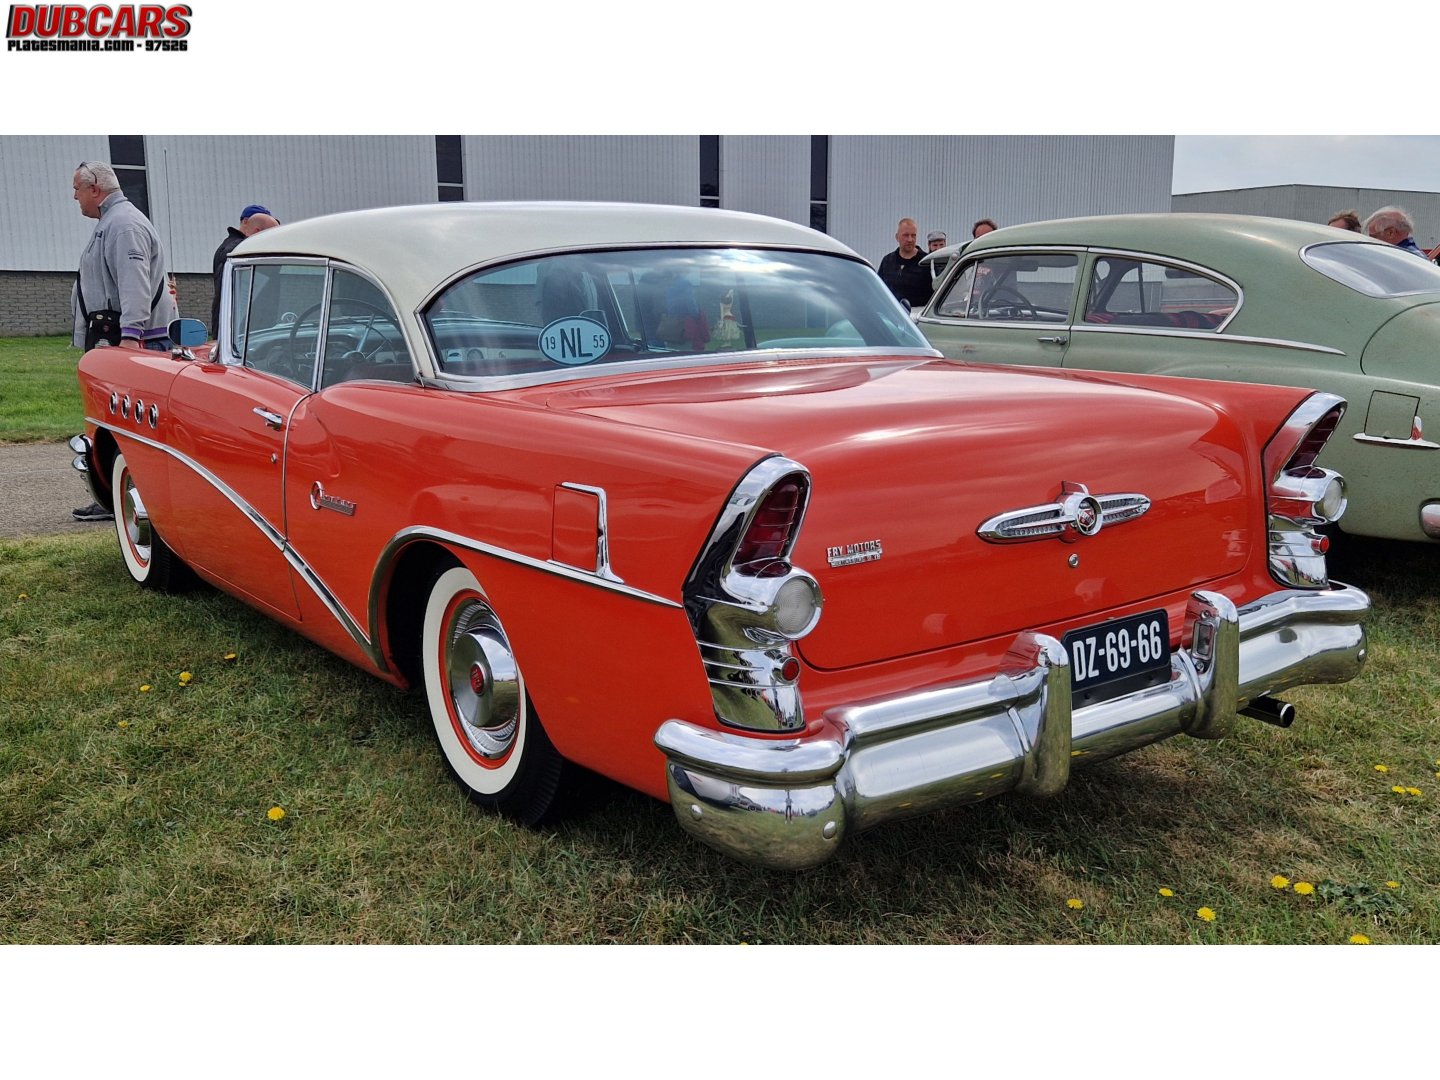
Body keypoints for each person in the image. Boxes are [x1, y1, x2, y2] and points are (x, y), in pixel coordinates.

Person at [70, 160, 179, 521]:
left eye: (78, 190)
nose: (75, 197)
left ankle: (135, 501)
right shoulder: (112, 223)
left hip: (131, 342)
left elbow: (135, 284)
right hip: (116, 339)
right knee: (111, 428)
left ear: (96, 189)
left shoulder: (123, 225)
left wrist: (131, 339)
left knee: (129, 430)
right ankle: (114, 496)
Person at [210, 204, 280, 330]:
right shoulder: (236, 251)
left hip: (243, 326)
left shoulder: (233, 247)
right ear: (246, 222)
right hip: (240, 329)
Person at [877, 217, 932, 308]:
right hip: (892, 315)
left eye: (913, 235)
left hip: (917, 318)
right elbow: (879, 290)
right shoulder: (887, 261)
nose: (910, 240)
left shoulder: (927, 262)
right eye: (906, 235)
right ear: (897, 237)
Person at [1364, 206, 1428, 257]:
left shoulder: (1399, 259)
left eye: (1373, 236)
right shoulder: (1415, 257)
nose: (1370, 241)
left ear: (1391, 233)